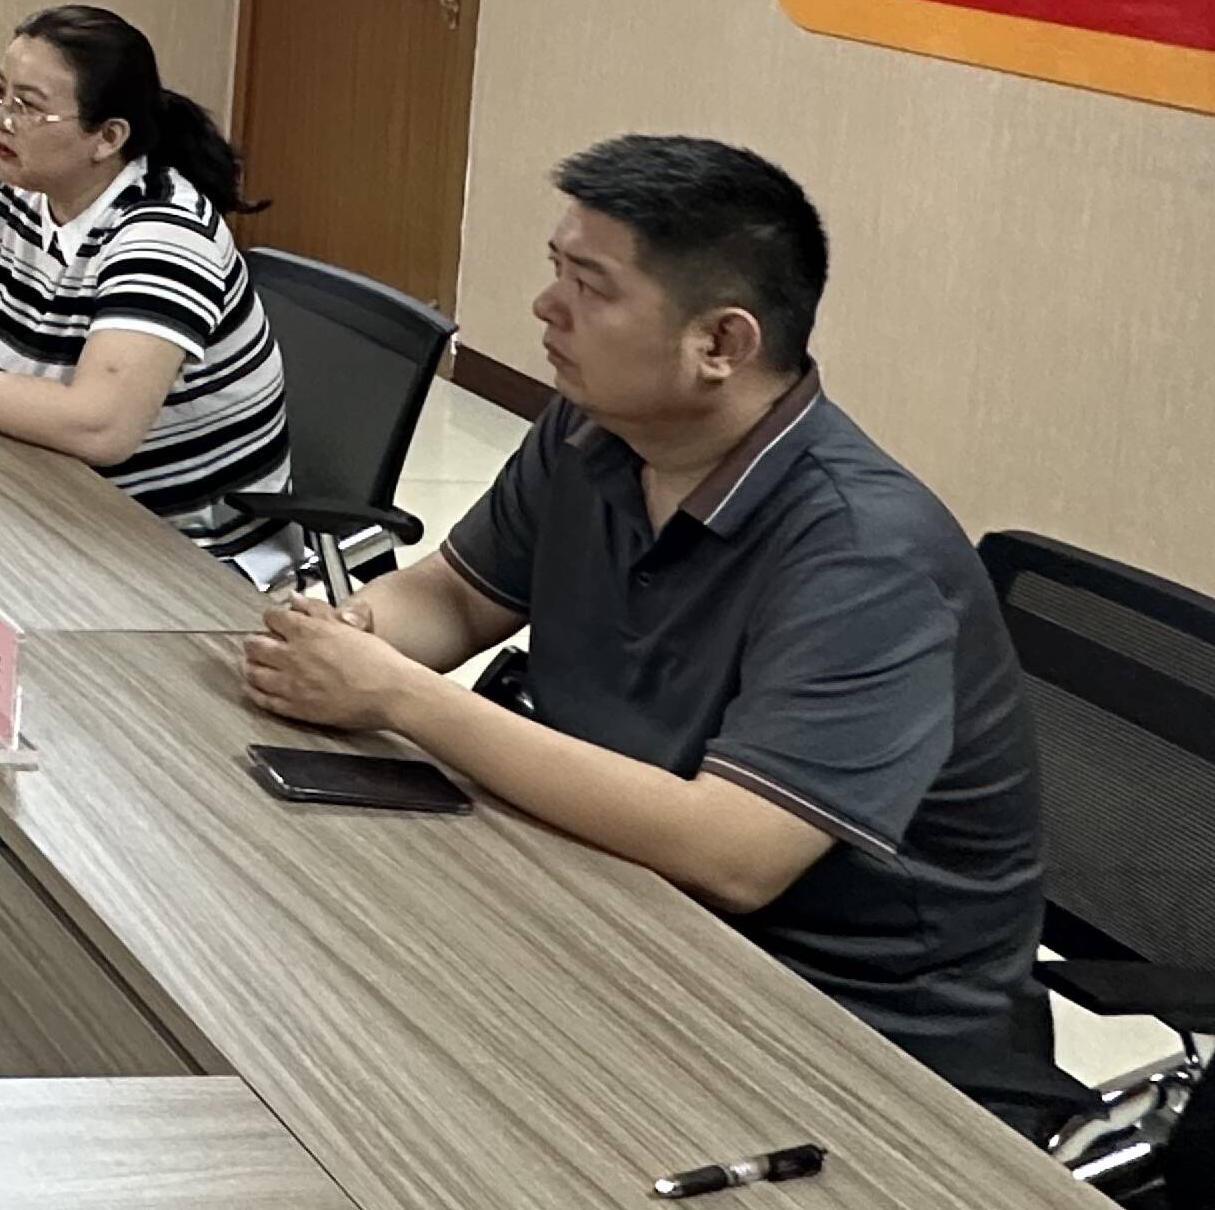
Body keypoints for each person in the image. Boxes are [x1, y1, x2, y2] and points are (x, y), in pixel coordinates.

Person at [239, 135, 1051, 1116]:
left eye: (590, 287)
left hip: (843, 1024)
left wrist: (399, 697)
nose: (546, 307)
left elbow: (732, 854)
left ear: (721, 346)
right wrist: (352, 631)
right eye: (556, 269)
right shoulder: (593, 431)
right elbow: (456, 596)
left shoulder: (867, 553)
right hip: (604, 891)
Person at [0, 6, 293, 564]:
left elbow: (99, 426)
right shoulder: (9, 192)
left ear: (107, 137)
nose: (1, 120)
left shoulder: (164, 235)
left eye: (27, 106)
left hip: (173, 546)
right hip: (32, 484)